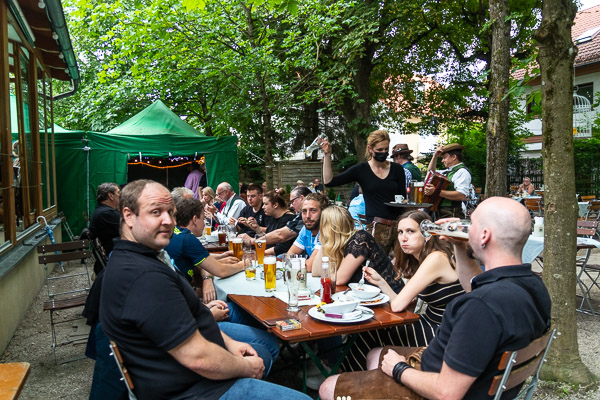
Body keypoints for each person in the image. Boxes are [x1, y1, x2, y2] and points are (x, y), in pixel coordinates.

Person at [320, 196, 551, 400]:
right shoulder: (532, 285)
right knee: (374, 354)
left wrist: (399, 369)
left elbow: (447, 392)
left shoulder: (479, 307)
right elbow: (472, 286)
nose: (465, 228)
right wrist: (459, 245)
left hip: (438, 383)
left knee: (328, 386)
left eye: (471, 224)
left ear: (484, 236)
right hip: (460, 371)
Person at [100, 179, 310, 400]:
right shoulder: (145, 277)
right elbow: (198, 358)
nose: (168, 221)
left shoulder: (134, 258)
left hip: (185, 370)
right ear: (128, 216)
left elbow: (187, 319)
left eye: (171, 213)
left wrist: (229, 342)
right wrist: (245, 367)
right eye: (155, 212)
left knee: (264, 349)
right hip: (195, 388)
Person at [341, 210, 464, 372]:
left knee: (370, 333)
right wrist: (381, 282)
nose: (403, 238)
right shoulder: (422, 259)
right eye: (400, 232)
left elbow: (398, 305)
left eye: (410, 231)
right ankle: (353, 376)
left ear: (427, 234)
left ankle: (348, 377)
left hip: (444, 332)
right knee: (370, 332)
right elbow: (405, 303)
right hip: (432, 324)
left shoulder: (436, 258)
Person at [320, 129, 407, 254]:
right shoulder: (361, 170)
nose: (383, 152)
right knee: (374, 262)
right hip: (376, 226)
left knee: (403, 263)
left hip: (399, 225)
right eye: (379, 150)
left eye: (386, 149)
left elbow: (403, 197)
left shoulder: (397, 169)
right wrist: (327, 155)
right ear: (370, 149)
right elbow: (329, 181)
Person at [165, 197, 243, 303]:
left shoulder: (175, 232)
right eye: (203, 219)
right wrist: (245, 264)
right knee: (232, 307)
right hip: (180, 301)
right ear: (194, 219)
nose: (204, 223)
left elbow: (196, 258)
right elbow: (221, 271)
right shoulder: (187, 238)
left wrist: (220, 257)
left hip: (174, 295)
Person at [312, 206, 404, 294]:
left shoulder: (360, 240)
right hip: (369, 296)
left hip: (392, 296)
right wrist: (323, 243)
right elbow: (316, 272)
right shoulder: (341, 245)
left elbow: (339, 279)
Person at [245, 186, 312, 252]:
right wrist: (257, 229)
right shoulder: (272, 217)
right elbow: (270, 238)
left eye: (292, 201)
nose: (291, 206)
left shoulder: (292, 219)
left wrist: (254, 242)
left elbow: (280, 236)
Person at [425, 143, 472, 218]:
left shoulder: (462, 172)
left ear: (454, 157)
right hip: (442, 212)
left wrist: (436, 191)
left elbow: (461, 195)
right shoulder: (447, 171)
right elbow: (430, 173)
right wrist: (435, 156)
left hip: (453, 212)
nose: (442, 161)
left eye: (444, 157)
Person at [286, 192, 329, 271]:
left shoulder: (327, 230)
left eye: (313, 211)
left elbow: (310, 266)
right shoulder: (306, 229)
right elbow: (290, 255)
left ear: (323, 212)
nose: (308, 216)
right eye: (304, 211)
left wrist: (296, 263)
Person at [247, 191, 296, 255]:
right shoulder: (273, 216)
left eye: (265, 204)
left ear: (275, 205)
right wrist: (257, 228)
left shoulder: (289, 219)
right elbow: (268, 239)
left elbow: (280, 248)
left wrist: (256, 254)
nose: (263, 207)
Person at [88, 183, 121, 274]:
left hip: (110, 254)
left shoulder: (101, 210)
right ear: (111, 196)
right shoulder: (107, 213)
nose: (121, 196)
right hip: (115, 255)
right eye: (118, 193)